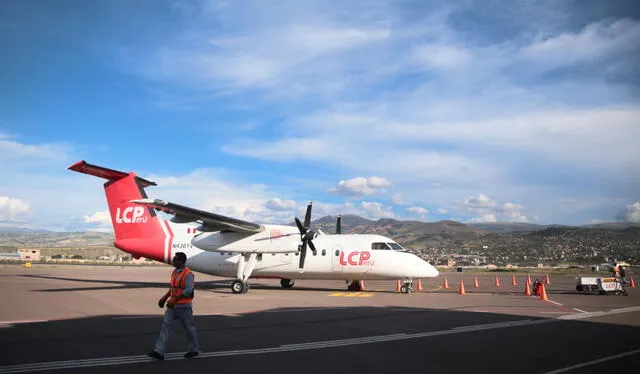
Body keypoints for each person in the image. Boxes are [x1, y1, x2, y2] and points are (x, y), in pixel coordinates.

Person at [148, 252, 200, 360]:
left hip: (184, 307)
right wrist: (165, 298)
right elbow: (173, 287)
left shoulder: (188, 274)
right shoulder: (175, 272)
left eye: (176, 260)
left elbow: (188, 289)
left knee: (189, 329)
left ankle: (194, 349)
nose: (173, 261)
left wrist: (175, 299)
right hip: (172, 306)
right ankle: (159, 351)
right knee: (165, 327)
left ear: (182, 261)